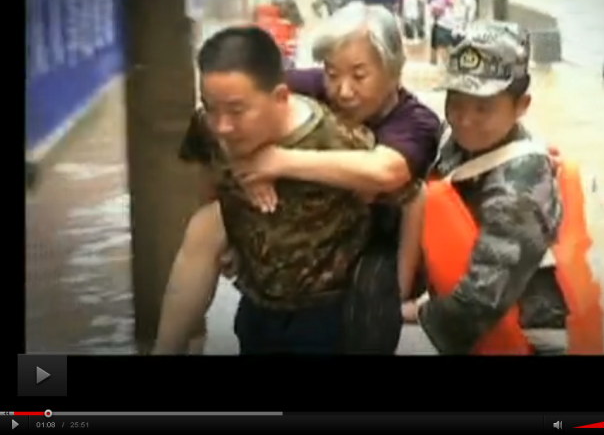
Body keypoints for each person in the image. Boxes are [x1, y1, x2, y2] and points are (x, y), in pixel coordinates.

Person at [154, 26, 421, 354]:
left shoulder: (336, 141)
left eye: (237, 111)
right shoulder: (208, 126)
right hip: (258, 308)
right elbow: (208, 174)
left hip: (328, 316)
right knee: (203, 228)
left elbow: (413, 197)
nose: (223, 126)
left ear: (280, 98)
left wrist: (399, 290)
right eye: (211, 108)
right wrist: (231, 236)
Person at [400, 26, 604, 355]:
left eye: (483, 107)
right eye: (456, 102)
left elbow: (478, 303)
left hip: (529, 335)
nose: (464, 119)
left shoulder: (520, 187)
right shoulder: (460, 144)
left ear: (521, 105)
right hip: (478, 312)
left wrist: (411, 313)